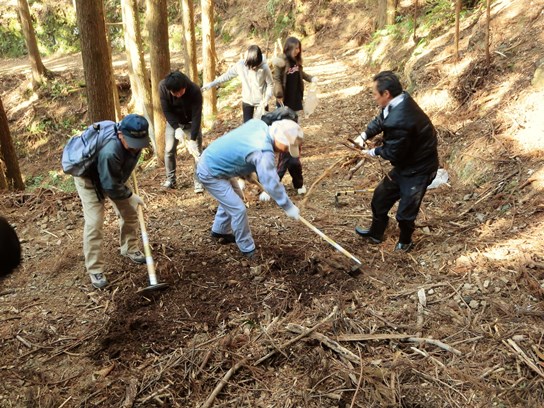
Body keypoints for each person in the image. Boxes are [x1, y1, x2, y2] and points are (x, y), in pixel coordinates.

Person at [353, 71, 439, 252]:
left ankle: (405, 241)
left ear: (386, 94)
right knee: (380, 198)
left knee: (405, 214)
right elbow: (380, 120)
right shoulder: (398, 101)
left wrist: (371, 152)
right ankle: (376, 233)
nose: (374, 98)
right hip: (405, 164)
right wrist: (364, 135)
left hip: (419, 169)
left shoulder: (402, 119)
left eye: (375, 94)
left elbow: (393, 152)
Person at [196, 119, 303, 258]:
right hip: (210, 172)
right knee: (238, 209)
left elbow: (239, 149)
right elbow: (271, 183)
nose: (286, 151)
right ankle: (247, 249)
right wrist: (288, 206)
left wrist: (246, 172)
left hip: (215, 161)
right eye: (287, 147)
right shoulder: (262, 152)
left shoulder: (259, 125)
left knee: (235, 198)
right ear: (280, 139)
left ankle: (220, 230)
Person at [70, 114, 150, 288]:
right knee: (95, 223)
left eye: (140, 143)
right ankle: (95, 269)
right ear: (121, 134)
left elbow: (114, 180)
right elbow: (110, 187)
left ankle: (129, 247)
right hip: (89, 180)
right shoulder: (110, 151)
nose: (137, 148)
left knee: (130, 212)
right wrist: (130, 195)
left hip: (115, 175)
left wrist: (128, 197)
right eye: (133, 143)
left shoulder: (135, 141)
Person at [272, 37, 317, 195]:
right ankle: (287, 154)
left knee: (295, 132)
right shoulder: (281, 62)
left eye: (299, 48)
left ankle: (294, 150)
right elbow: (276, 79)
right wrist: (278, 94)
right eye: (295, 48)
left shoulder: (297, 61)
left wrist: (311, 78)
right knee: (286, 135)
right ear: (288, 47)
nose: (297, 51)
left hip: (296, 100)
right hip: (284, 103)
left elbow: (301, 73)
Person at [202, 45, 273, 123]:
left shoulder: (264, 68)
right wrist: (212, 84)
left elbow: (270, 84)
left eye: (255, 66)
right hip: (247, 101)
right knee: (247, 127)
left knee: (263, 126)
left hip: (261, 102)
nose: (253, 68)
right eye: (251, 66)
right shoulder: (241, 65)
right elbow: (227, 76)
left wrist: (266, 99)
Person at [159, 70, 203, 192]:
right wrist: (176, 128)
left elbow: (196, 116)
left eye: (180, 92)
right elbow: (166, 111)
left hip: (191, 122)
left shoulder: (194, 90)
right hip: (174, 122)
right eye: (174, 93)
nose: (178, 95)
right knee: (169, 150)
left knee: (197, 152)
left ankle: (199, 180)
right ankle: (170, 179)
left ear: (185, 86)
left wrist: (193, 139)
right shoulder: (163, 87)